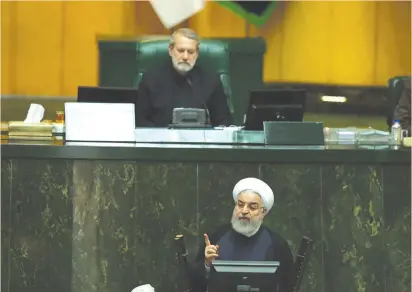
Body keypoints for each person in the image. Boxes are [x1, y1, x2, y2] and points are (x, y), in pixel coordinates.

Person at [189, 178, 295, 292]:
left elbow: (289, 285)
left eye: (252, 207)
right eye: (240, 205)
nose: (244, 210)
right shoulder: (216, 237)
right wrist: (207, 264)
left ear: (263, 212)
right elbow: (195, 283)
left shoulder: (277, 245)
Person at [135, 28, 233, 127]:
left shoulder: (211, 80)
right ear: (170, 50)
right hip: (161, 140)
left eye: (190, 52)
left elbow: (224, 122)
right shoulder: (151, 79)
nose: (185, 57)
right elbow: (140, 120)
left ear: (197, 53)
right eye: (181, 50)